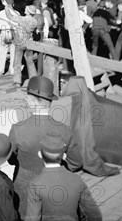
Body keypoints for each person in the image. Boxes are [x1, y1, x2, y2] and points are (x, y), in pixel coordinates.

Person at [9, 76, 82, 218]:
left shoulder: (18, 129)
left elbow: (11, 160)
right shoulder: (64, 130)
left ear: (31, 101)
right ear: (50, 102)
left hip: (25, 189)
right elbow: (76, 163)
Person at [25, 132, 102, 221]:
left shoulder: (35, 184)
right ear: (64, 156)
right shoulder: (77, 180)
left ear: (40, 154)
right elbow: (94, 214)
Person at [3, 1, 38, 85]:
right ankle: (34, 80)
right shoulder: (34, 21)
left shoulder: (22, 19)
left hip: (20, 43)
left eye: (26, 9)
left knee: (17, 63)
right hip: (29, 43)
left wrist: (6, 7)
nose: (24, 10)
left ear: (29, 12)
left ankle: (17, 81)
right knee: (30, 62)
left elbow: (9, 16)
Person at [0, 0, 16, 76]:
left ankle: (0, 70)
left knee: (2, 52)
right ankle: (12, 70)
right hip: (14, 33)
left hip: (4, 32)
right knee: (14, 52)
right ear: (13, 5)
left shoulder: (1, 13)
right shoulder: (17, 13)